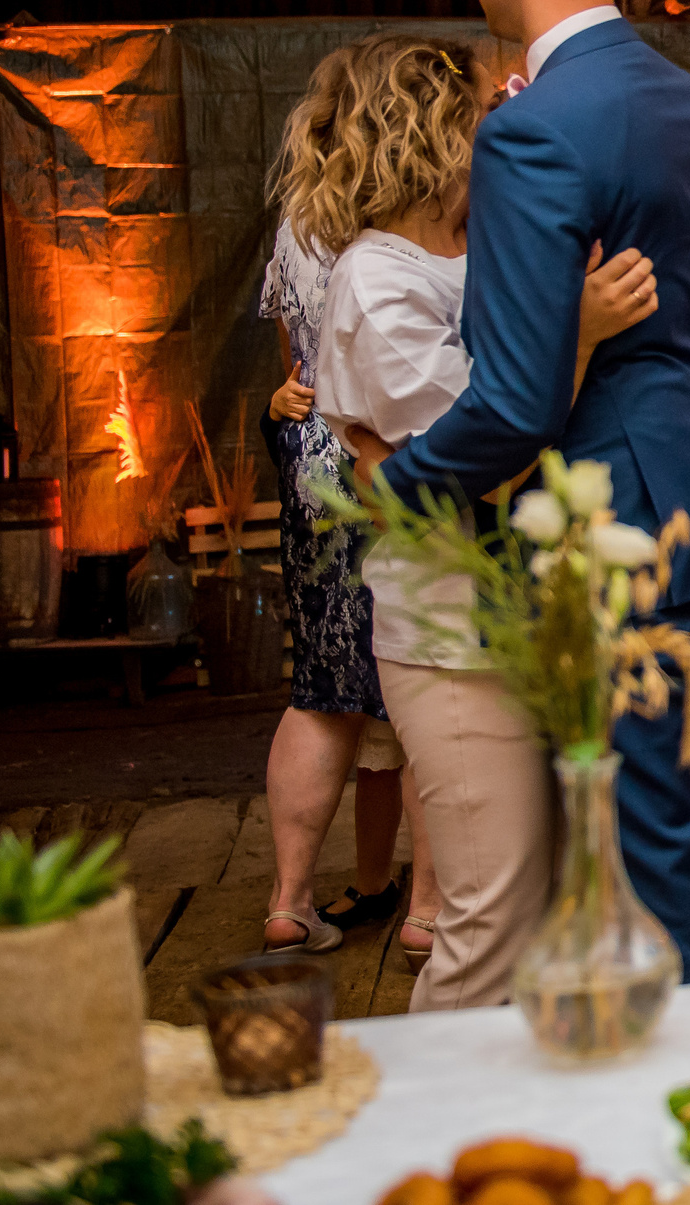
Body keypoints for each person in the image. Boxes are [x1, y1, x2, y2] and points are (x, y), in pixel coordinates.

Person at [377, 0, 690, 980]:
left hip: (619, 525)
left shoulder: (532, 126)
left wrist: (395, 489)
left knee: (649, 853)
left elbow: (509, 400)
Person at [303, 33, 658, 1007]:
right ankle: (435, 1143)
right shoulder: (376, 282)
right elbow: (484, 453)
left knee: (549, 909)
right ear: (433, 130)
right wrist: (575, 332)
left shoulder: (477, 248)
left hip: (530, 621)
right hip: (454, 634)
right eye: (485, 113)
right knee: (487, 920)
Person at [260, 64, 442, 962]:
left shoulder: (296, 227)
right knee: (419, 690)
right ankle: (429, 909)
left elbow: (297, 369)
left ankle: (296, 898)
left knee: (327, 694)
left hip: (314, 478)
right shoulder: (401, 221)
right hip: (388, 464)